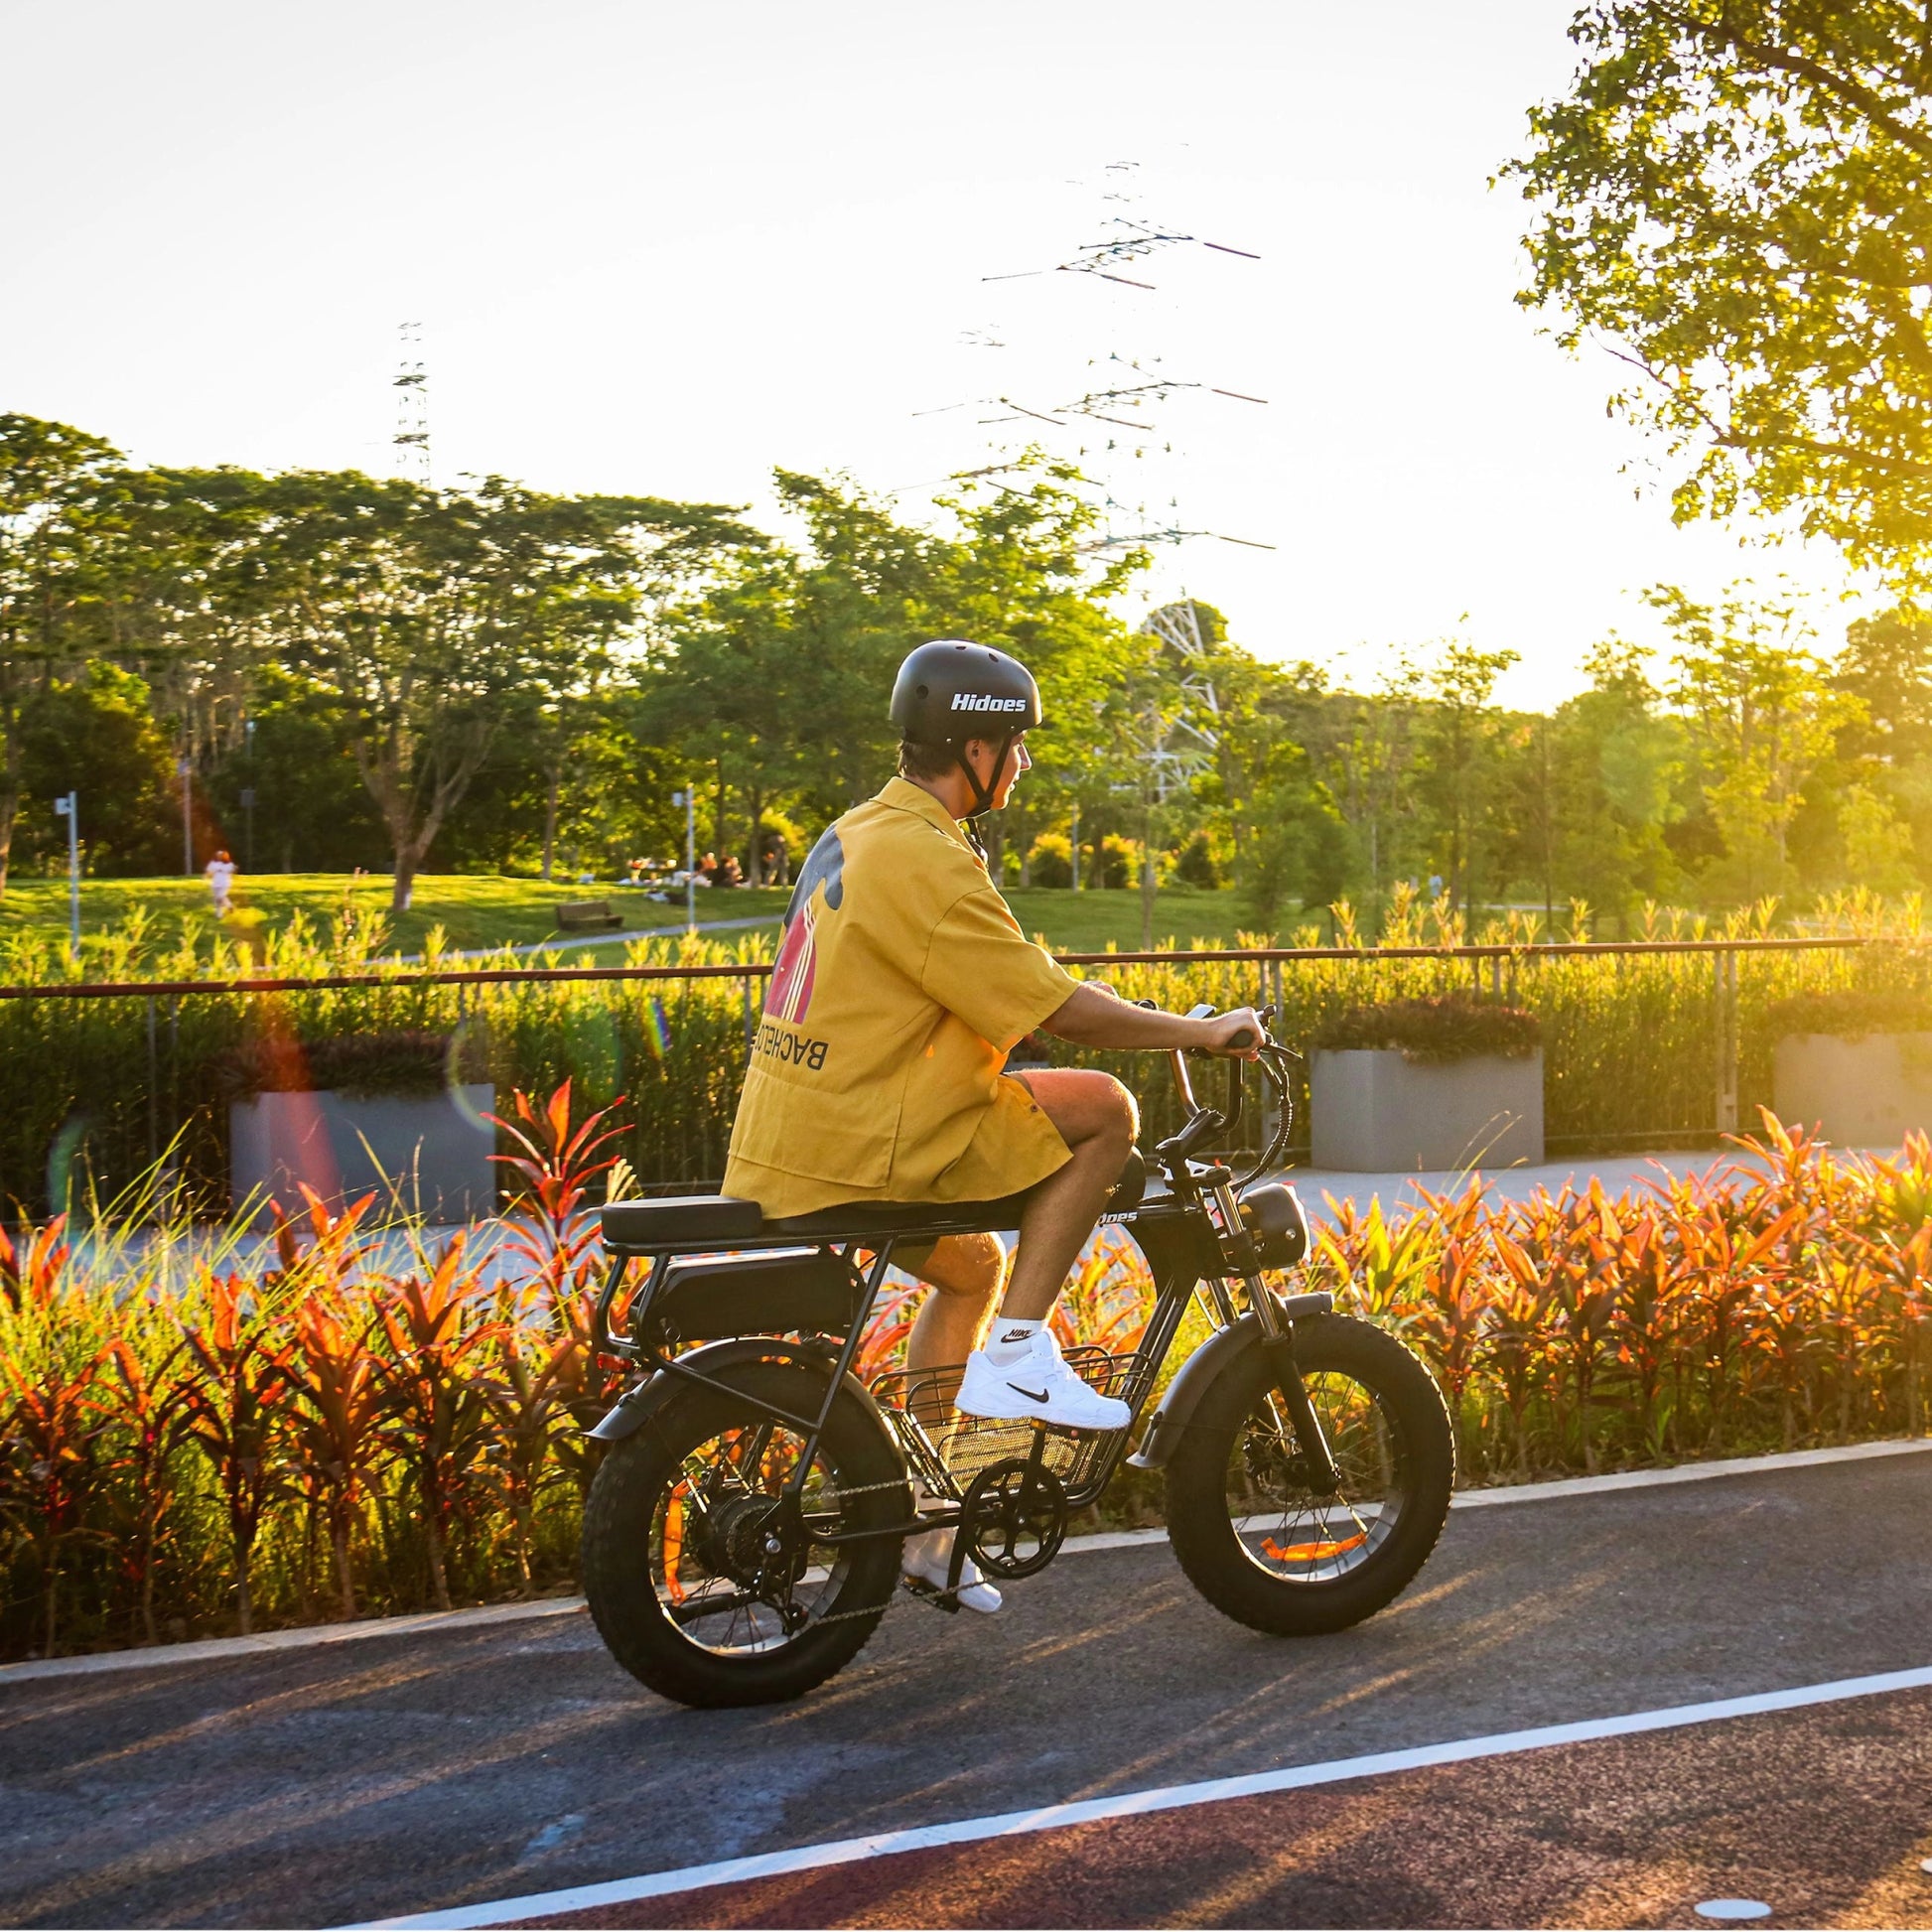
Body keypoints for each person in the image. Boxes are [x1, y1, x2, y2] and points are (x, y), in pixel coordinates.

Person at [721, 638, 1260, 1611]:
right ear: (973, 747)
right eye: (1014, 744)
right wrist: (1200, 1029)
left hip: (795, 1129)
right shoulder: (925, 857)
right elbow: (1056, 1012)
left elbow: (1012, 977)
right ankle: (1017, 1354)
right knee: (1104, 1110)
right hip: (869, 1136)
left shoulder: (862, 831)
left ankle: (931, 1528)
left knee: (968, 1264)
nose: (1022, 763)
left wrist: (1078, 996)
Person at [206, 849, 237, 918]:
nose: (219, 856)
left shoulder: (229, 864)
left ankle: (228, 907)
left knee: (221, 897)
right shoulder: (213, 863)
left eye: (221, 855)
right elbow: (208, 872)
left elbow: (232, 871)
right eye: (218, 855)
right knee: (217, 899)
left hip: (225, 884)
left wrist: (233, 869)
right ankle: (221, 912)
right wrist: (207, 876)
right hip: (215, 884)